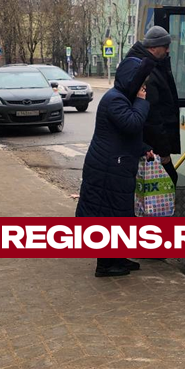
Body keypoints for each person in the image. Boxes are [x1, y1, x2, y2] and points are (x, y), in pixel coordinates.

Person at [75, 56, 155, 278]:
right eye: (141, 82)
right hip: (108, 168)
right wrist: (141, 101)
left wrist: (143, 148)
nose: (144, 87)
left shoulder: (120, 98)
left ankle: (117, 258)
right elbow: (132, 124)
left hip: (115, 164)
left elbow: (123, 135)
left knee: (118, 214)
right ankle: (106, 265)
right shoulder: (115, 100)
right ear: (132, 81)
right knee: (108, 216)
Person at [124, 26, 181, 184]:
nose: (168, 51)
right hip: (151, 145)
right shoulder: (147, 71)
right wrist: (163, 151)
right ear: (154, 47)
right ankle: (162, 210)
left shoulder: (151, 66)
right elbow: (153, 116)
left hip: (147, 144)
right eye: (165, 47)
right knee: (169, 180)